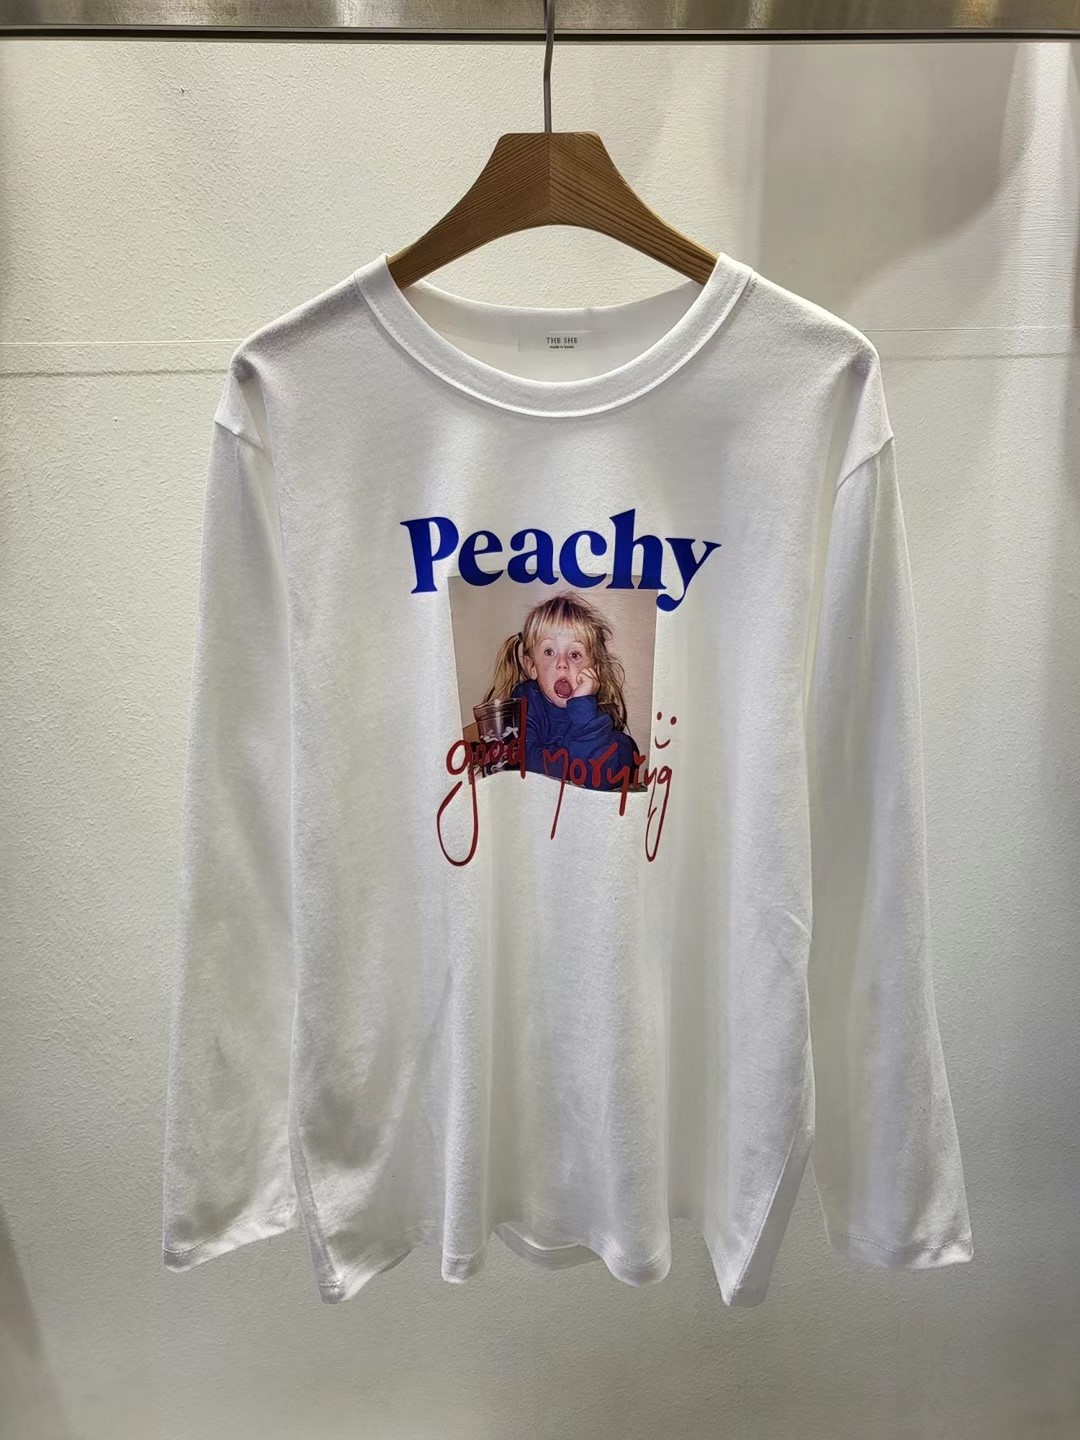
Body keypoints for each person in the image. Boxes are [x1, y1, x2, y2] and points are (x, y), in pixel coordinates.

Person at [480, 591, 641, 792]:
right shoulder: (525, 703)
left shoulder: (595, 717)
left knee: (624, 745)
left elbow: (604, 777)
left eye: (575, 655)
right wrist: (576, 765)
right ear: (532, 667)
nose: (562, 664)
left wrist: (583, 711)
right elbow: (523, 764)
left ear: (594, 670)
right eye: (549, 652)